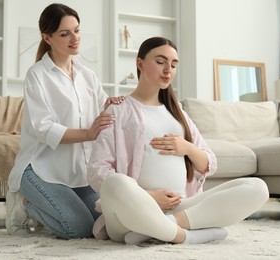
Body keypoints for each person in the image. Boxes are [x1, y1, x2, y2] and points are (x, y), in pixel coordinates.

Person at [87, 36, 269, 245]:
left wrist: (188, 148)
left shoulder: (178, 113)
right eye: (160, 62)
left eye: (173, 65)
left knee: (257, 187)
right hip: (132, 211)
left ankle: (162, 227)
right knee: (115, 183)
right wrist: (148, 196)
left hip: (180, 206)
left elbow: (209, 163)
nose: (168, 70)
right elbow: (97, 169)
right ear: (140, 64)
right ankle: (185, 235)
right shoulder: (118, 109)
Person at [5, 3, 124, 240]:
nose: (74, 38)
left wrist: (113, 105)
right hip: (40, 170)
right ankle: (26, 205)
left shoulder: (87, 75)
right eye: (65, 33)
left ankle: (50, 210)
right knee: (78, 228)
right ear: (47, 38)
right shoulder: (37, 75)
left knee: (103, 226)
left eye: (77, 30)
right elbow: (44, 129)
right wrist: (89, 133)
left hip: (79, 174)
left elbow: (102, 111)